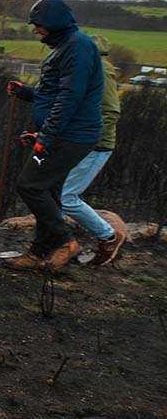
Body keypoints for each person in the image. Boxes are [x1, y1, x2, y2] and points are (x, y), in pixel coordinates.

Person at [5, 0, 105, 272]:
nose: (35, 30)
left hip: (71, 135)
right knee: (48, 192)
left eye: (39, 25)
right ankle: (39, 252)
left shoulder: (78, 48)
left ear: (54, 23)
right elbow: (53, 93)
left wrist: (45, 137)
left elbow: (70, 98)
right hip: (66, 133)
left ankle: (65, 242)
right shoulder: (66, 47)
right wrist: (26, 92)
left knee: (30, 185)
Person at [58, 34, 125, 265]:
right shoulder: (86, 70)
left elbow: (111, 111)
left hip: (95, 144)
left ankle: (108, 236)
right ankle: (56, 243)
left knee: (65, 195)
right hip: (77, 141)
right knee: (54, 190)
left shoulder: (101, 71)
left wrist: (91, 137)